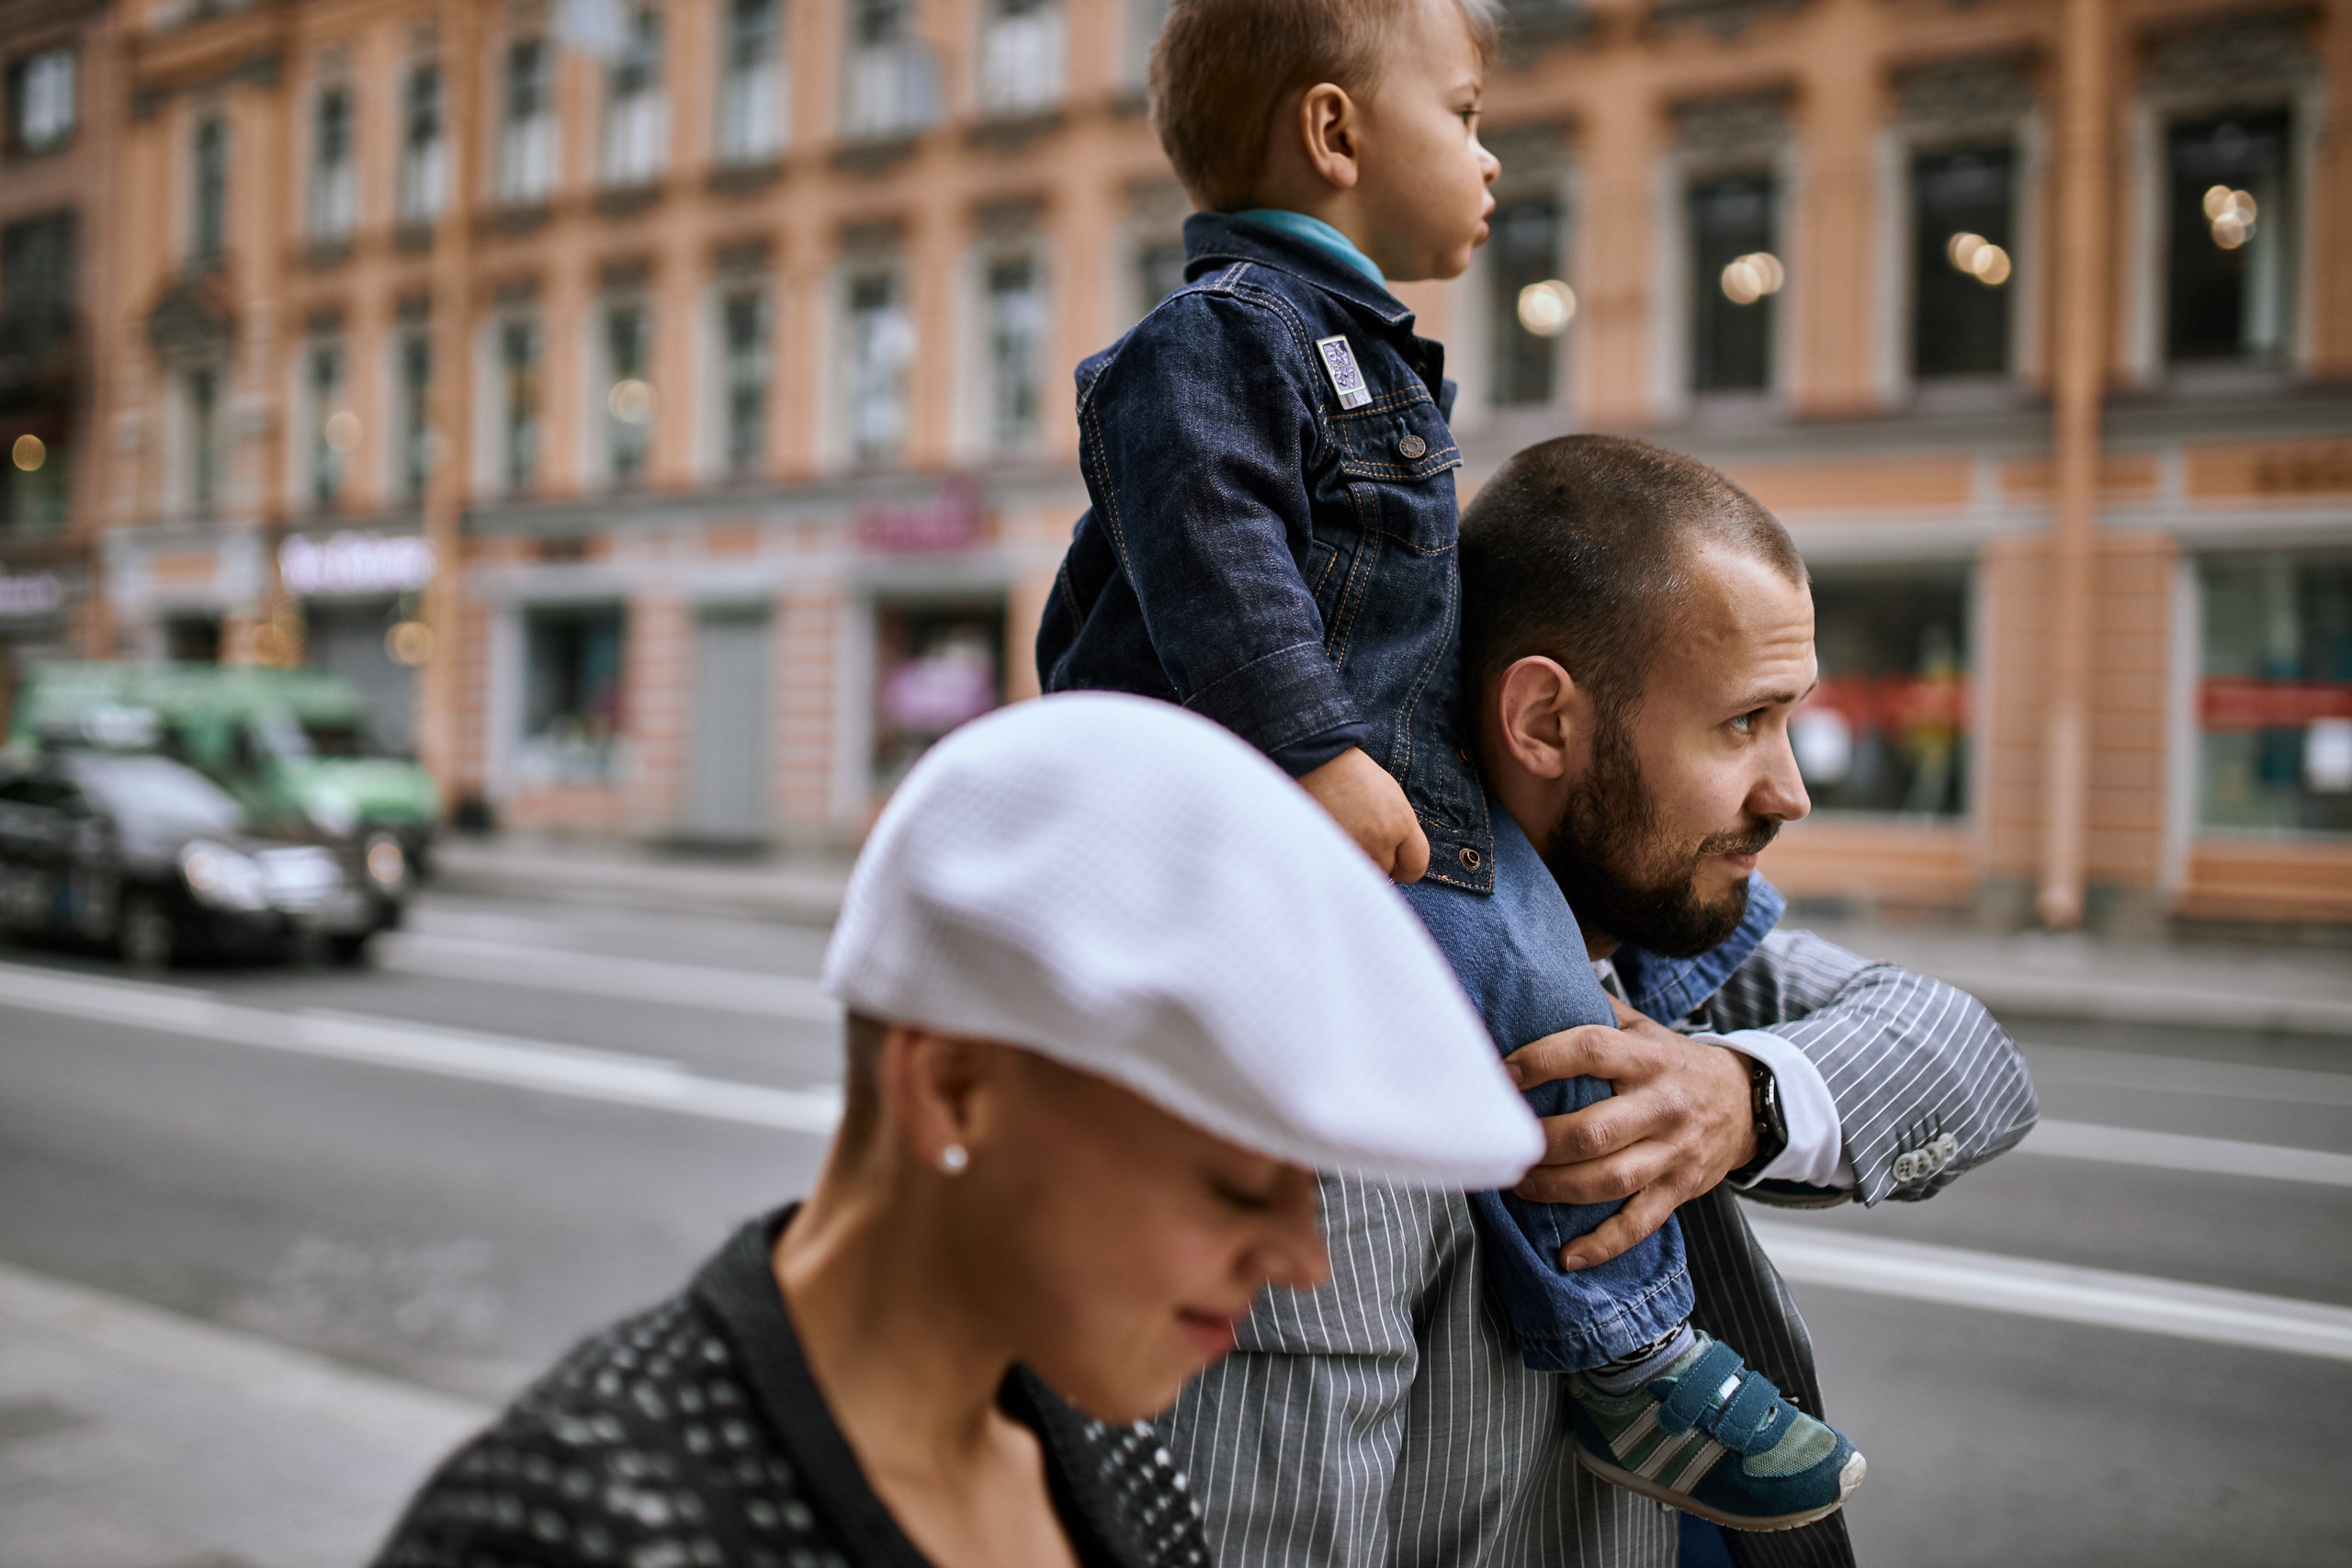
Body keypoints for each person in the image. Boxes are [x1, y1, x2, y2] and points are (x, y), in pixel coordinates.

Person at [1035, 0, 1859, 1530]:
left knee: (1597, 983)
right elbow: (1219, 560)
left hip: (1400, 809)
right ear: (1336, 135)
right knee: (1549, 1030)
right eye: (1468, 116)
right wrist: (1316, 753)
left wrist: (1747, 1087)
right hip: (1295, 818)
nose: (1490, 159)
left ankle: (1635, 1302)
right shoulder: (1219, 340)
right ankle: (1630, 1352)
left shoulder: (1356, 353)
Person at [371, 694, 1546, 1568]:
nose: (1303, 1255)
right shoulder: (568, 1524)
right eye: (1236, 1184)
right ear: (955, 1092)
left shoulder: (1098, 1446)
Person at [1162, 436, 2040, 1568]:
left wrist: (1742, 1098)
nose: (1792, 792)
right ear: (1543, 723)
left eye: (1789, 721)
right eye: (1741, 724)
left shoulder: (1661, 948)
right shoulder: (1338, 1059)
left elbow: (1963, 1055)